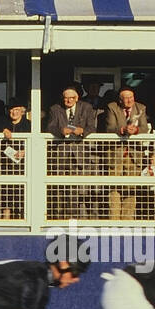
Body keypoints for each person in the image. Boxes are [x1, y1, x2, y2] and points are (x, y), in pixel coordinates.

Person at [45, 84, 98, 219]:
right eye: (65, 98)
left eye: (71, 98)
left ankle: (80, 219)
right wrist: (60, 131)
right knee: (60, 190)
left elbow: (92, 127)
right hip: (61, 154)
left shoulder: (86, 107)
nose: (68, 101)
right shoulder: (55, 109)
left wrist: (83, 132)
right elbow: (50, 127)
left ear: (77, 98)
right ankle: (60, 219)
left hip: (81, 154)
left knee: (80, 189)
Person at [101, 87, 150, 220]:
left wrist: (136, 130)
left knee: (131, 188)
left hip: (134, 155)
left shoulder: (141, 108)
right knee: (114, 188)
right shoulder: (112, 107)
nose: (129, 100)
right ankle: (114, 220)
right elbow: (109, 127)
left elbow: (145, 128)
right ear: (120, 99)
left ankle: (128, 220)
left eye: (131, 97)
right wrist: (122, 129)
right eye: (126, 98)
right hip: (116, 154)